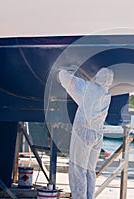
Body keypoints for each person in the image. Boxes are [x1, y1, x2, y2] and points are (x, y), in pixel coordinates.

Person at [58, 68, 114, 199]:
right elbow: (82, 101)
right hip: (97, 135)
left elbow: (69, 82)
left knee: (77, 170)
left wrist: (61, 72)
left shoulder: (89, 89)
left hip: (83, 133)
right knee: (90, 171)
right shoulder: (106, 94)